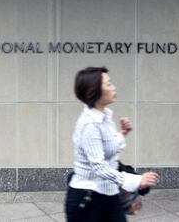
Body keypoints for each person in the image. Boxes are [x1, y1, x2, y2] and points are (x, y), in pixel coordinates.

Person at [65, 66, 160, 222]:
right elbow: (99, 167)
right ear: (94, 90)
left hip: (109, 193)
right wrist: (136, 181)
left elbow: (106, 147)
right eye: (108, 84)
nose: (113, 87)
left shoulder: (105, 117)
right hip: (88, 198)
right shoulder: (90, 124)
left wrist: (123, 133)